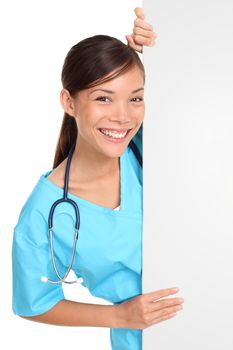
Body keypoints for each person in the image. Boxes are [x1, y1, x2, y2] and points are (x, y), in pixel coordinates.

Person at [12, 7, 184, 350]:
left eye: (135, 98)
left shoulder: (149, 148)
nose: (123, 116)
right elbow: (33, 304)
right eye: (103, 98)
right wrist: (120, 318)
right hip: (145, 341)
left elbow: (199, 93)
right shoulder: (44, 213)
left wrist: (159, 46)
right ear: (69, 102)